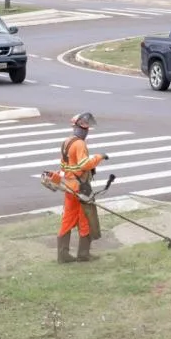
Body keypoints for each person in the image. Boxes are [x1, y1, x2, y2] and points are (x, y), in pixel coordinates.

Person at [57, 112, 109, 263]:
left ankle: (63, 254)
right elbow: (83, 164)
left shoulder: (67, 141)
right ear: (81, 129)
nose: (86, 132)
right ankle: (84, 254)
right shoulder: (80, 144)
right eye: (86, 129)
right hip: (80, 188)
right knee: (85, 218)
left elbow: (64, 165)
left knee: (68, 218)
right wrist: (99, 157)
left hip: (68, 186)